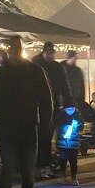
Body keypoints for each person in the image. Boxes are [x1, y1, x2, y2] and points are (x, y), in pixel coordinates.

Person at [0, 37, 52, 188]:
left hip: (19, 126)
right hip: (18, 126)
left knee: (23, 171)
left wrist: (45, 126)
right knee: (16, 171)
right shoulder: (23, 71)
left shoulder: (14, 72)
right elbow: (46, 101)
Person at [31, 42, 71, 178]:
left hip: (55, 106)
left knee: (51, 136)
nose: (51, 55)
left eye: (52, 52)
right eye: (48, 52)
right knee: (43, 136)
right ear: (43, 52)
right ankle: (42, 164)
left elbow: (65, 86)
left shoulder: (57, 67)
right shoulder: (36, 65)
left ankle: (49, 162)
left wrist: (69, 102)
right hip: (40, 106)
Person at [55, 103, 82, 185]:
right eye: (68, 109)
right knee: (63, 161)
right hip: (63, 143)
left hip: (73, 143)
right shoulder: (61, 116)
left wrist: (78, 125)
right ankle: (63, 176)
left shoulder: (78, 115)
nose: (70, 111)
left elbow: (81, 126)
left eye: (72, 109)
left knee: (73, 161)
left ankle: (74, 177)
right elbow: (57, 127)